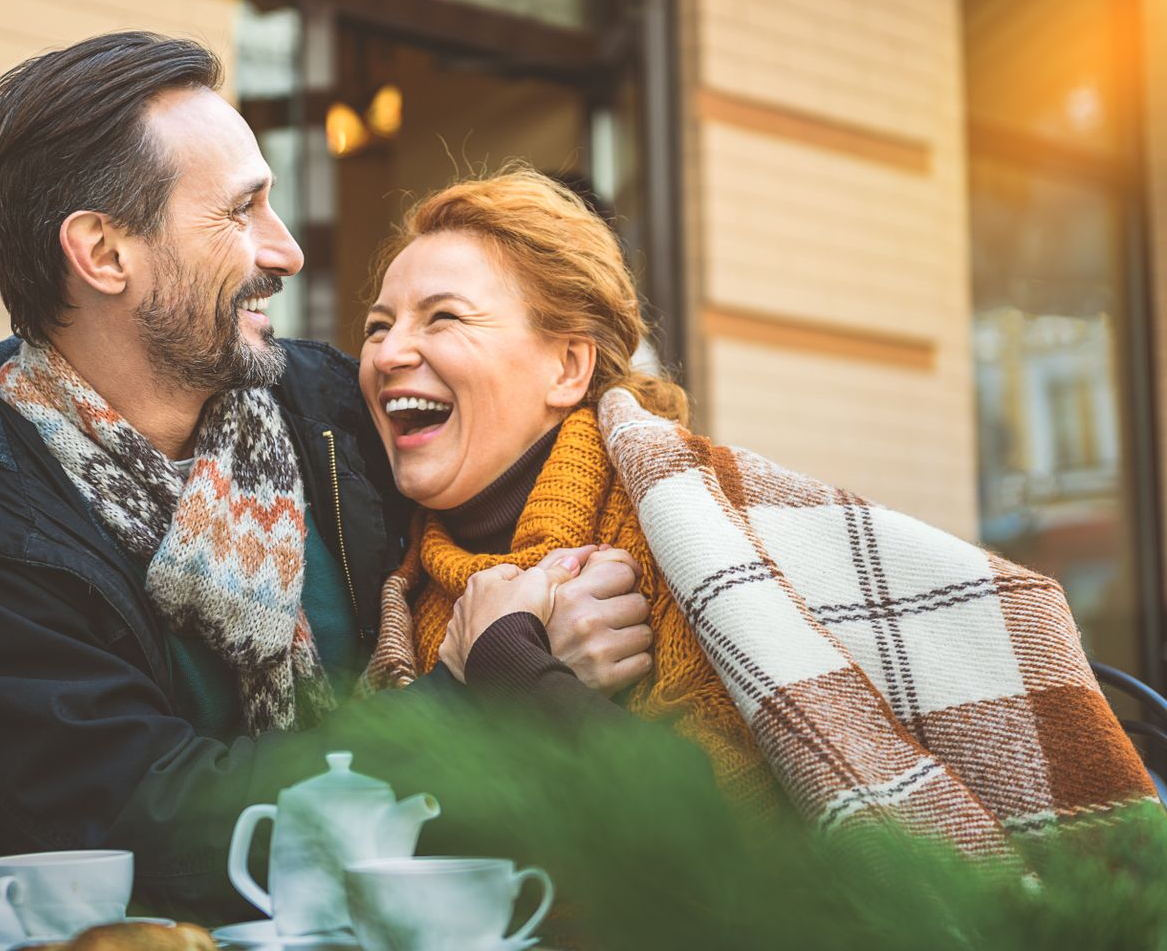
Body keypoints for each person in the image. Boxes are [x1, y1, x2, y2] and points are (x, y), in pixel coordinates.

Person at [0, 35, 654, 942]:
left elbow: (513, 454)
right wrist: (473, 689)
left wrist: (588, 572)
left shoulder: (323, 406)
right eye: (240, 211)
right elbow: (166, 829)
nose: (284, 251)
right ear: (102, 252)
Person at [356, 166, 1163, 858]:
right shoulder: (392, 580)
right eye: (378, 326)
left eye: (444, 317)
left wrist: (509, 663)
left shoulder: (689, 545)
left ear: (569, 365)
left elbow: (720, 854)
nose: (390, 353)